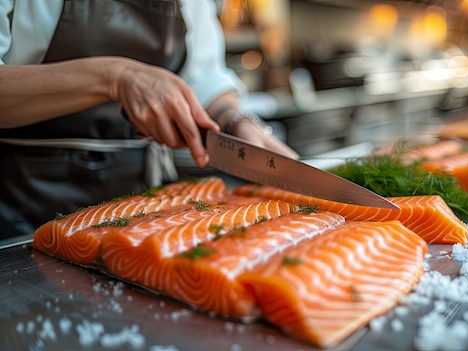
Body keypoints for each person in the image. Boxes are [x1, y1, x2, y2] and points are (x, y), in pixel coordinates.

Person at [0, 0, 298, 240]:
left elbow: (204, 77)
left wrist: (235, 118)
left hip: (142, 204)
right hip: (19, 202)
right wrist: (115, 78)